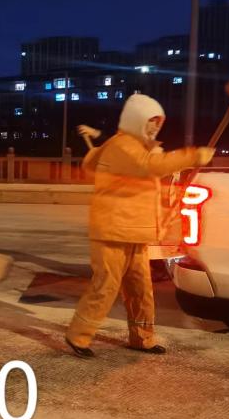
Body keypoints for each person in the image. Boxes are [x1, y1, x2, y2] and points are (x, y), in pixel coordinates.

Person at [66, 94, 215, 357]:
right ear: (136, 120)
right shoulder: (123, 146)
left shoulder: (135, 147)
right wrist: (192, 156)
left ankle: (142, 338)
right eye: (151, 121)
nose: (155, 127)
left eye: (159, 122)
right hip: (112, 231)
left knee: (140, 289)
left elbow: (146, 169)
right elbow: (149, 167)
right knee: (105, 286)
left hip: (134, 232)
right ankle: (78, 335)